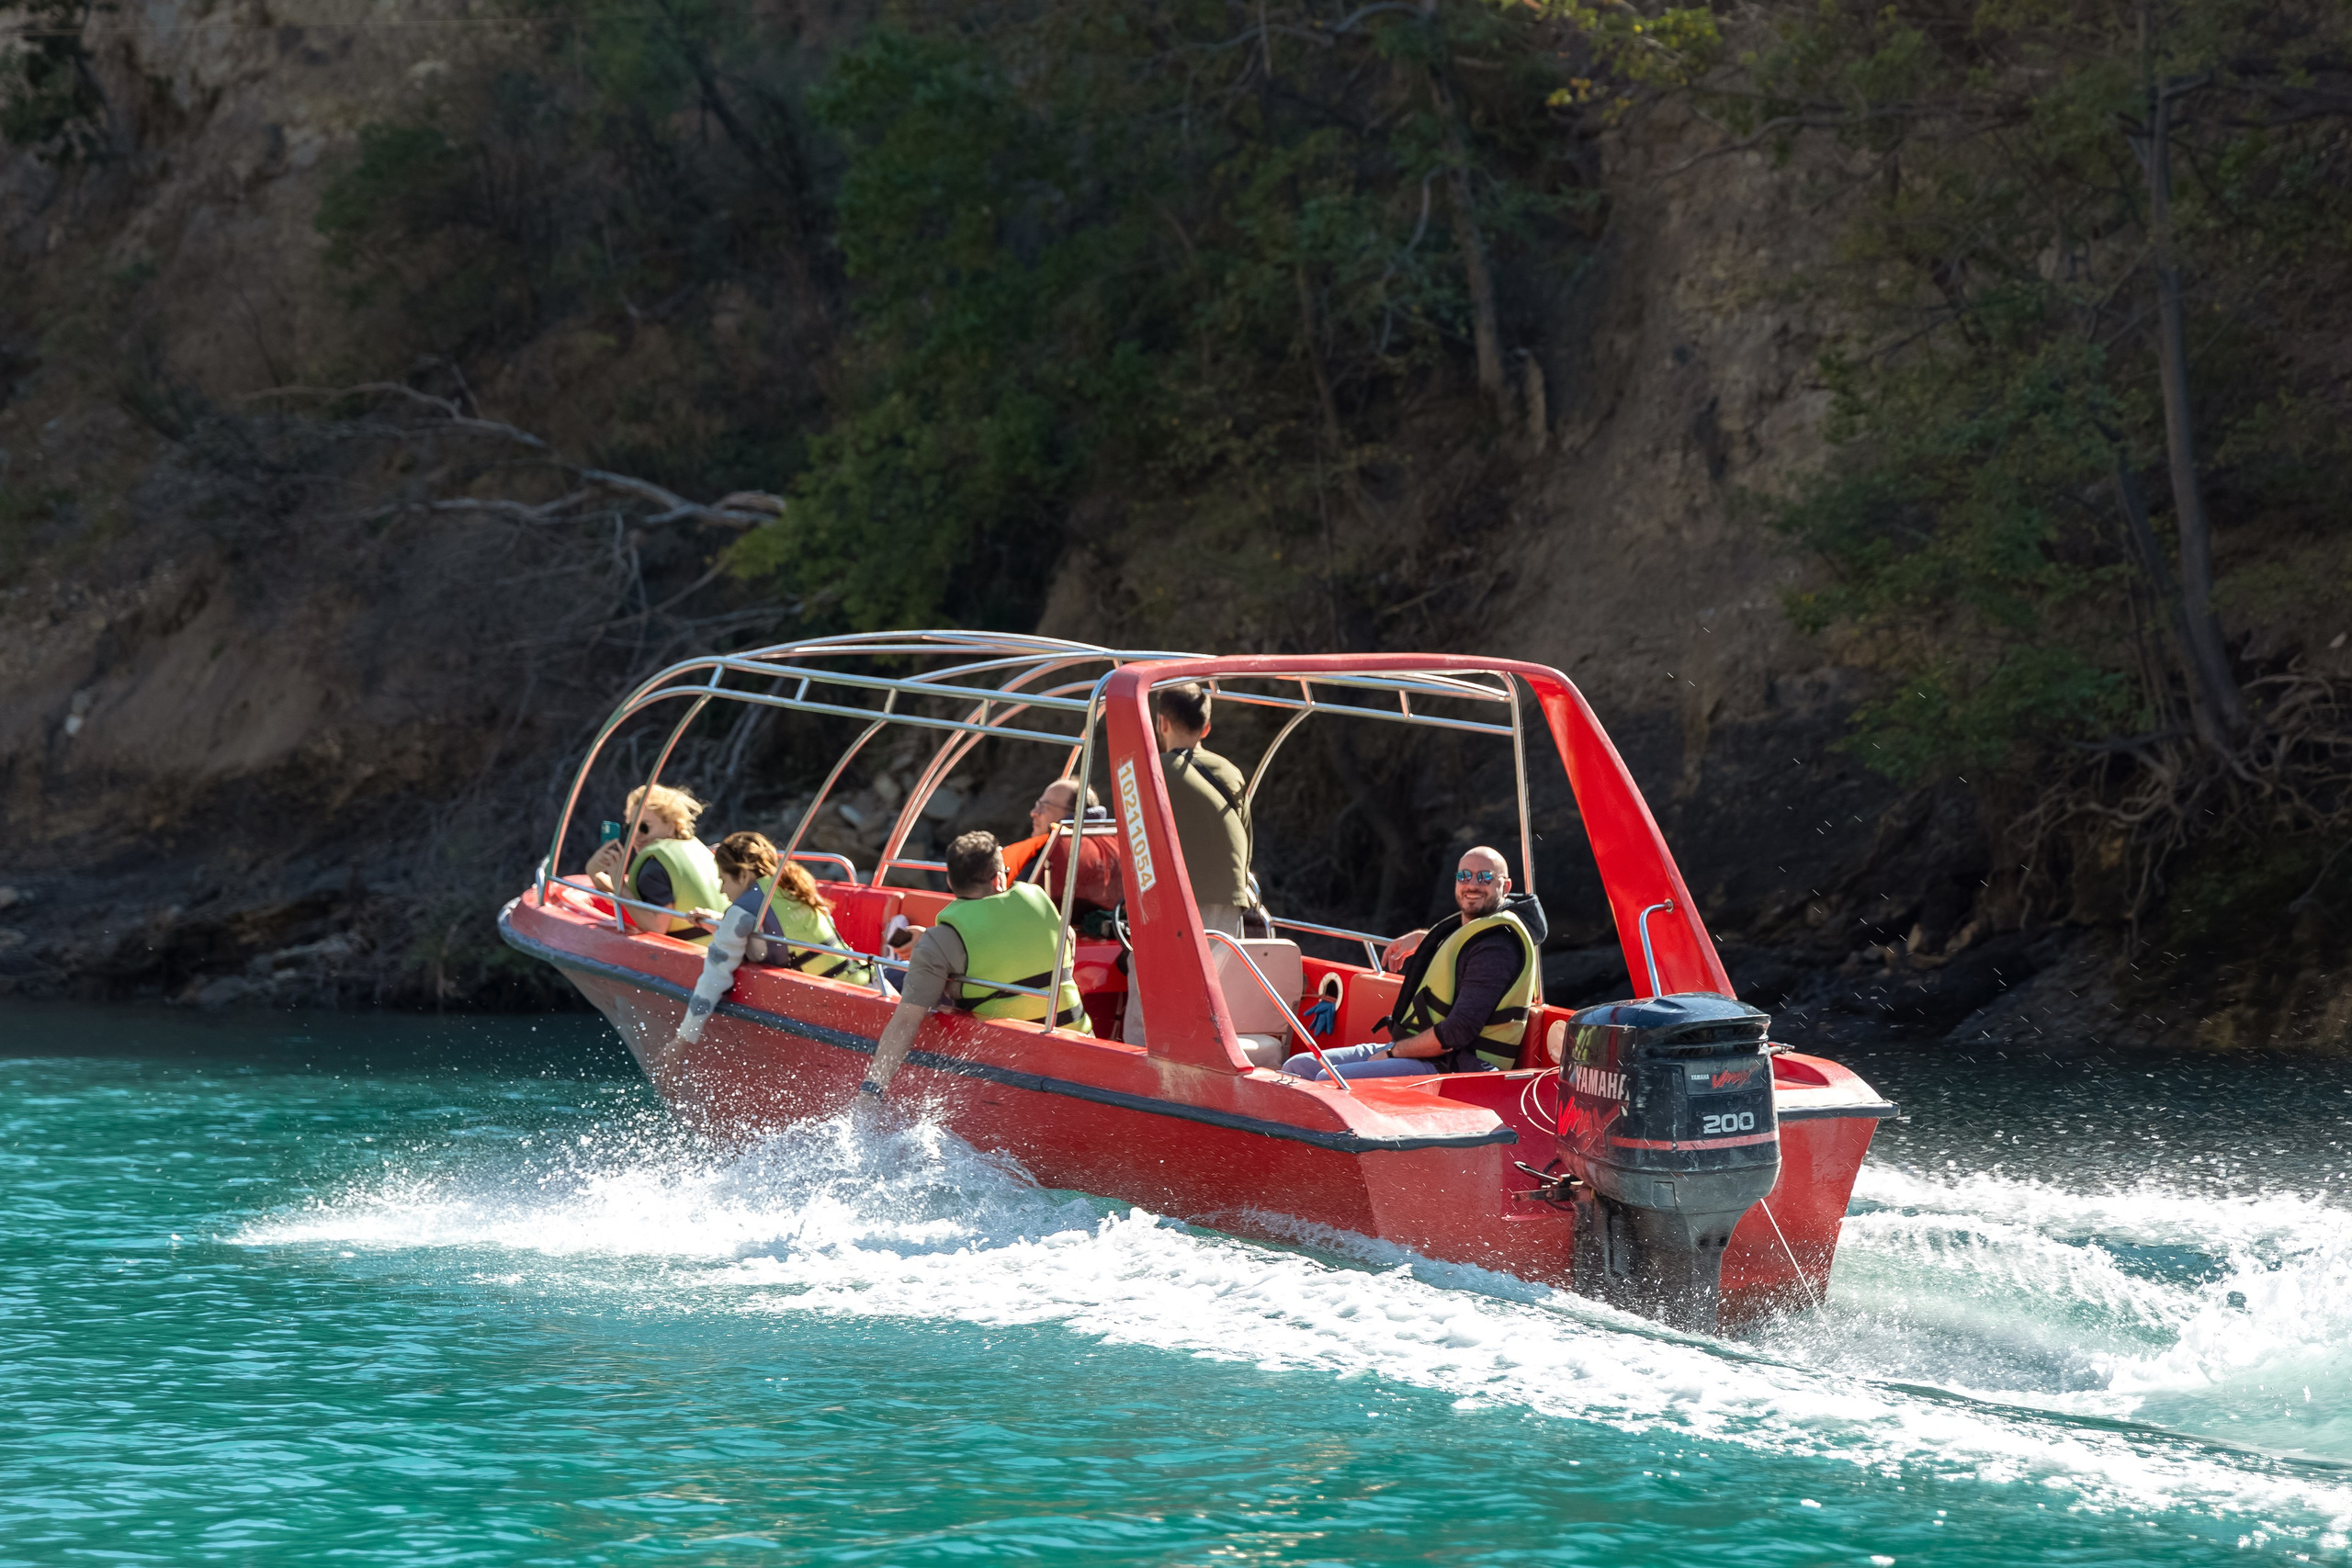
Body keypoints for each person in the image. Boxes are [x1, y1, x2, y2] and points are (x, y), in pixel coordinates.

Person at [1281, 845, 1544, 1081]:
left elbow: (1458, 1032)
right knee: (1298, 1066)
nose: (1472, 884)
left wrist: (1393, 1053)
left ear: (1506, 886)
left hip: (1458, 1067)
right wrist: (1427, 938)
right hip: (1422, 1052)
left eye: (1485, 877)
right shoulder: (1477, 931)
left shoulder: (1496, 947)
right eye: (1464, 876)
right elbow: (1461, 948)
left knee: (1328, 1081)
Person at [862, 830, 1091, 1099]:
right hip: (1082, 1050)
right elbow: (1047, 944)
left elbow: (906, 1022)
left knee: (897, 977)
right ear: (999, 878)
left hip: (1012, 1070)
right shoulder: (1041, 902)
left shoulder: (939, 943)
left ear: (949, 880)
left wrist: (872, 1088)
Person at [1126, 682, 1257, 1047]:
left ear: (1161, 723)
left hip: (1171, 897)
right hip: (1229, 898)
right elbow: (1246, 842)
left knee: (1149, 990)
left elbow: (1136, 840)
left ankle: (1141, 1066)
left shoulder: (1151, 771)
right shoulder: (1230, 771)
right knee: (1213, 996)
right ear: (1207, 728)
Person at [583, 783, 723, 943]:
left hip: (693, 958)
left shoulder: (654, 867)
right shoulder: (695, 850)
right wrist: (596, 874)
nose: (636, 836)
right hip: (719, 947)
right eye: (631, 828)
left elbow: (656, 926)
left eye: (644, 827)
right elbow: (646, 898)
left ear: (671, 826)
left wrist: (619, 885)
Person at [1001, 778, 1123, 918]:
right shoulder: (1114, 846)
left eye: (1044, 806)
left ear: (1073, 814)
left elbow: (1012, 911)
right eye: (1037, 805)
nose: (1034, 812)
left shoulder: (1053, 854)